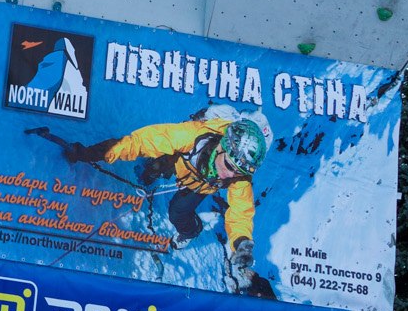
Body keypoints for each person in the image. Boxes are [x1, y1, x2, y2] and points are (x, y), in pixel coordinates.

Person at [50, 113, 272, 294]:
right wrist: (91, 153)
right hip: (182, 162)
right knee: (154, 166)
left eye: (238, 172)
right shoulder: (189, 136)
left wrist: (241, 243)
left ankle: (190, 231)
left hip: (200, 184)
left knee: (177, 213)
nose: (229, 175)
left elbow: (241, 212)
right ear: (223, 147)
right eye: (230, 166)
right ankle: (152, 171)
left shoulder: (238, 176)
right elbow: (139, 142)